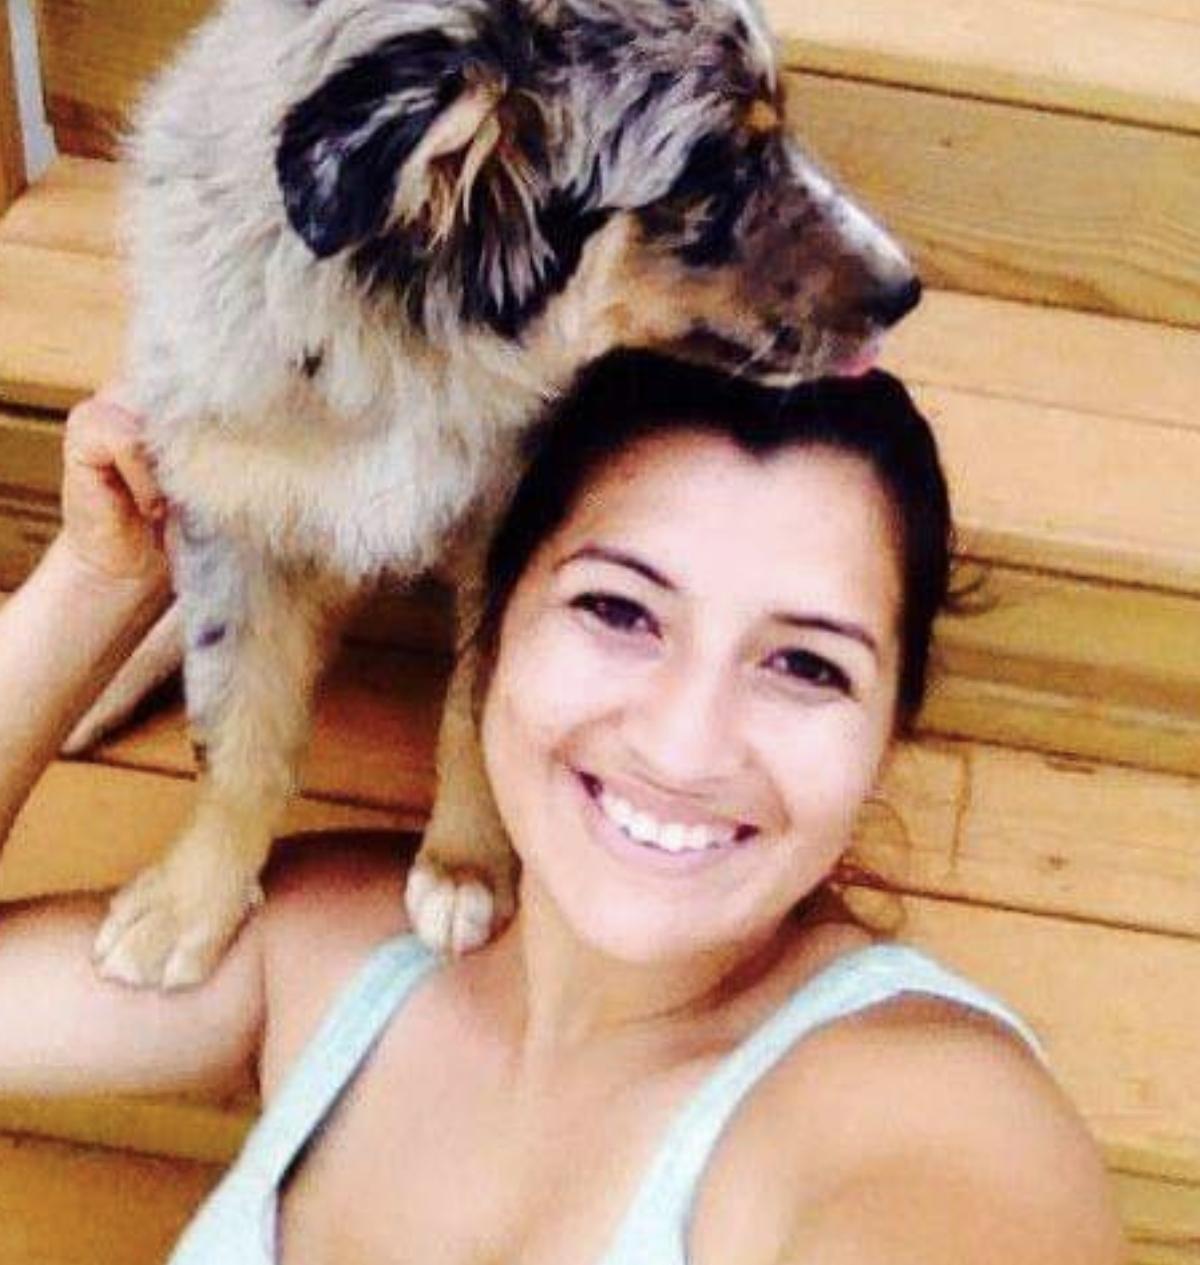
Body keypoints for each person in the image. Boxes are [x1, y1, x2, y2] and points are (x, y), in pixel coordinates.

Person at [0, 355, 1123, 1264]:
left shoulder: (927, 1114)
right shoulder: (333, 954)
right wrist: (108, 576)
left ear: (886, 732)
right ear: (488, 622)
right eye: (620, 610)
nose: (682, 743)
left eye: (806, 666)